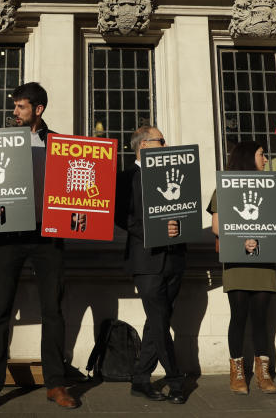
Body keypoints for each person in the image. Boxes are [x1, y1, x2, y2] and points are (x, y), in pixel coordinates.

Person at [0, 82, 79, 410]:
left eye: (21, 107)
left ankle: (56, 383)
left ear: (38, 109)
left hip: (47, 234)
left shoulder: (59, 143)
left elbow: (76, 186)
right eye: (14, 106)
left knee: (53, 310)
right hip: (9, 234)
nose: (14, 112)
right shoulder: (0, 142)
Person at [114, 125, 186, 404]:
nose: (166, 146)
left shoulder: (174, 173)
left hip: (175, 257)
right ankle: (176, 379)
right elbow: (122, 218)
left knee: (158, 321)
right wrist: (155, 229)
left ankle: (141, 378)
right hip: (146, 260)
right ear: (143, 146)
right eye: (161, 141)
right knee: (158, 320)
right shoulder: (126, 177)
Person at [207, 141, 276, 395]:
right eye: (262, 154)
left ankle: (263, 373)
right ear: (248, 157)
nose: (265, 158)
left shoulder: (270, 186)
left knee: (261, 319)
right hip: (237, 259)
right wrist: (244, 238)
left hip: (263, 260)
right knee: (239, 316)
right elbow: (217, 227)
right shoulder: (225, 188)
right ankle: (237, 371)